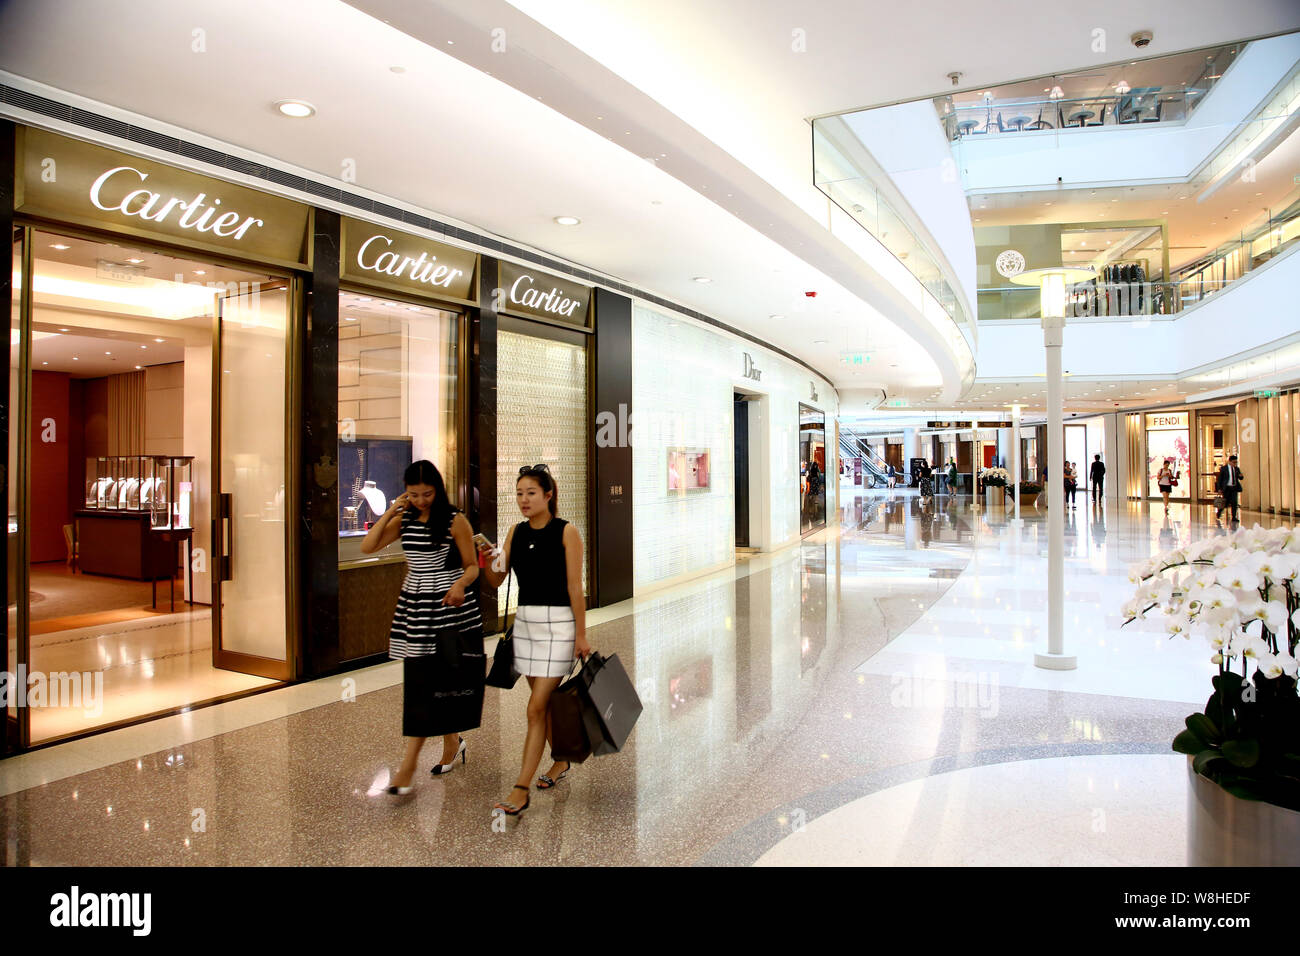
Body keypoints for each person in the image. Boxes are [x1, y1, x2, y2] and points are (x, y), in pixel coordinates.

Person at [361, 460, 483, 796]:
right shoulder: (405, 519)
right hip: (414, 604)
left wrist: (459, 585)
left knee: (432, 680)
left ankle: (409, 766)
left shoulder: (455, 519)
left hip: (447, 604)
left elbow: (472, 567)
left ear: (438, 490)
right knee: (423, 679)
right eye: (413, 495)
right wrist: (390, 512)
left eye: (426, 494)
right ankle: (451, 742)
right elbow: (368, 546)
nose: (420, 501)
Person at [479, 464, 591, 817]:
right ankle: (559, 762)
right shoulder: (514, 531)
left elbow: (575, 587)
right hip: (525, 626)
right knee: (540, 707)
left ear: (548, 495)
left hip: (559, 627)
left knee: (534, 708)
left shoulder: (567, 532)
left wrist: (582, 634)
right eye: (519, 493)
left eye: (531, 493)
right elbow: (497, 582)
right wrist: (487, 558)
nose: (524, 500)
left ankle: (520, 788)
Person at [1216, 454, 1244, 524]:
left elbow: (1240, 477)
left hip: (1234, 488)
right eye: (1234, 462)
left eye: (1236, 462)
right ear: (1230, 461)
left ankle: (1234, 517)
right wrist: (1219, 489)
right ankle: (1219, 511)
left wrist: (1241, 476)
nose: (1235, 464)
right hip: (1227, 488)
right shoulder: (1224, 469)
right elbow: (1220, 479)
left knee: (1234, 502)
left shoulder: (1237, 469)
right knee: (1225, 502)